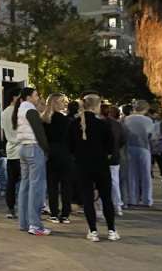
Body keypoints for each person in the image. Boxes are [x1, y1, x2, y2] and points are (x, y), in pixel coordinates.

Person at [69, 94, 120, 242]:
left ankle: (92, 231)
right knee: (106, 198)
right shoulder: (103, 125)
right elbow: (111, 147)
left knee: (87, 199)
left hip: (82, 165)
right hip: (101, 165)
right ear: (96, 106)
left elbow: (70, 146)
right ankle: (112, 230)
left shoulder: (74, 124)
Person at [13, 87, 51, 236]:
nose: (38, 98)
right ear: (29, 97)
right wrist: (46, 149)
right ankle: (35, 225)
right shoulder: (30, 109)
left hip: (23, 148)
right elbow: (39, 131)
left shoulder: (21, 109)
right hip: (34, 149)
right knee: (36, 188)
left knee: (25, 185)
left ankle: (24, 222)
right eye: (36, 95)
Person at [42, 93, 73, 224]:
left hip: (50, 153)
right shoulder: (65, 120)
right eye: (62, 101)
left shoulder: (44, 120)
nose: (64, 103)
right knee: (66, 184)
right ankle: (65, 214)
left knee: (52, 184)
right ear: (56, 103)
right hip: (65, 153)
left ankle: (54, 213)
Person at [123, 100, 155, 207]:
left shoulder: (126, 119)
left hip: (129, 148)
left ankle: (132, 199)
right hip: (144, 148)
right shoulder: (148, 120)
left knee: (131, 174)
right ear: (145, 109)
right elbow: (152, 136)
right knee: (146, 175)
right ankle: (147, 200)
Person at [0, 88, 22, 219]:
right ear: (14, 97)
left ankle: (10, 208)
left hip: (10, 151)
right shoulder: (20, 112)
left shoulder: (4, 112)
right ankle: (25, 208)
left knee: (11, 182)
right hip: (21, 151)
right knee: (25, 182)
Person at [103, 105, 126, 216]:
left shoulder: (99, 124)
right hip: (114, 156)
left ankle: (101, 207)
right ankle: (117, 205)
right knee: (114, 182)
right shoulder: (117, 124)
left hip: (101, 157)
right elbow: (122, 140)